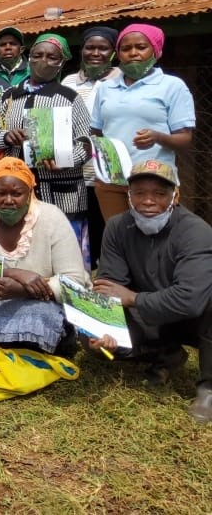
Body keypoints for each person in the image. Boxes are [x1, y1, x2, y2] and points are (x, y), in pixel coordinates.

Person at [89, 160, 212, 423]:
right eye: (140, 193)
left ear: (175, 196)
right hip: (149, 315)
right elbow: (108, 284)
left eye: (159, 194)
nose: (148, 201)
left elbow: (190, 300)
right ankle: (165, 355)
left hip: (193, 319)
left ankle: (209, 389)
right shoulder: (117, 227)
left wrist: (132, 298)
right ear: (129, 195)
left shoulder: (196, 231)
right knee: (90, 332)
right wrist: (104, 324)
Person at [0, 157, 88, 356]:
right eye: (1, 193)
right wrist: (13, 272)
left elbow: (74, 282)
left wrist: (22, 291)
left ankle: (44, 343)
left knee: (38, 313)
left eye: (17, 194)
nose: (9, 200)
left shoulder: (52, 218)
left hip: (46, 301)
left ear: (30, 193)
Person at [0, 33, 91, 261]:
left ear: (61, 63)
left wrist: (64, 159)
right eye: (37, 55)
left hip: (60, 190)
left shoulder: (69, 98)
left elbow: (87, 142)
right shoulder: (9, 97)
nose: (43, 61)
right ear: (28, 58)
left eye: (52, 57)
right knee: (22, 249)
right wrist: (6, 136)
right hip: (16, 188)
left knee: (62, 250)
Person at [90, 23, 195, 221]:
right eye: (126, 48)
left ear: (156, 51)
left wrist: (158, 137)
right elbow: (96, 132)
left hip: (153, 180)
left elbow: (185, 139)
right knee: (119, 238)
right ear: (118, 54)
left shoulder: (172, 86)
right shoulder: (105, 88)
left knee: (155, 241)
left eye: (141, 47)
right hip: (111, 180)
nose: (133, 53)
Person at [63, 26, 120, 265]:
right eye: (90, 47)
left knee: (107, 229)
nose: (95, 53)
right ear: (82, 50)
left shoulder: (121, 80)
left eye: (103, 48)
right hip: (74, 170)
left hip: (107, 171)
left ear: (113, 52)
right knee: (78, 230)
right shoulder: (68, 81)